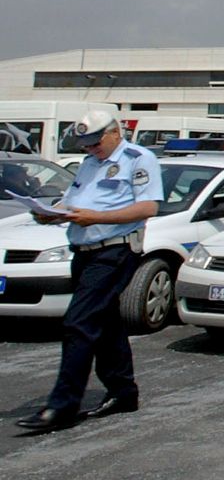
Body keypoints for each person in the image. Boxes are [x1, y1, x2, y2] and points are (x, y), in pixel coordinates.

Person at [15, 112, 161, 433]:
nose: (91, 148)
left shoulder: (139, 158)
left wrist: (96, 217)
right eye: (86, 144)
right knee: (104, 322)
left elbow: (148, 207)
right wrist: (52, 214)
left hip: (114, 250)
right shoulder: (89, 163)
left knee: (78, 323)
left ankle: (62, 405)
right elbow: (73, 201)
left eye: (96, 142)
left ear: (114, 133)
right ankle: (123, 392)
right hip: (83, 251)